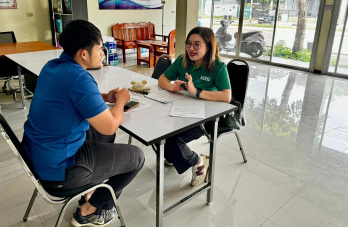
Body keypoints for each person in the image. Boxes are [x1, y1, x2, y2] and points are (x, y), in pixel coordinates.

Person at [22, 20, 145, 227]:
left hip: (39, 155)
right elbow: (111, 125)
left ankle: (90, 190)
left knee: (102, 137)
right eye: (100, 48)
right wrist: (122, 100)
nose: (102, 54)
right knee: (137, 157)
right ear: (84, 54)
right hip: (60, 170)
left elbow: (71, 98)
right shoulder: (80, 78)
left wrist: (106, 97)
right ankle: (92, 209)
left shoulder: (54, 66)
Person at [158, 27, 231, 186]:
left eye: (197, 44)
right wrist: (171, 87)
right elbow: (162, 78)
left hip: (207, 116)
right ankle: (175, 155)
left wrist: (196, 92)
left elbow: (226, 96)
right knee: (158, 131)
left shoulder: (218, 67)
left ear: (209, 47)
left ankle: (198, 161)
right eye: (189, 44)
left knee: (173, 140)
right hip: (182, 110)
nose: (191, 48)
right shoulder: (182, 61)